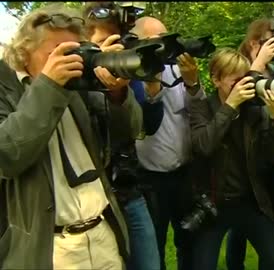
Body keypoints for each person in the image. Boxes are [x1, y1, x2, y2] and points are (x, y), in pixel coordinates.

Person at [0, 3, 143, 269]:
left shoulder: (81, 83)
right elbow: (8, 155)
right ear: (24, 52)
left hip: (102, 235)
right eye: (60, 53)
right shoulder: (4, 87)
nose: (71, 61)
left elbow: (128, 132)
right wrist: (49, 86)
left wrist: (117, 95)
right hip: (50, 247)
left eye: (75, 50)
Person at [189, 48, 274, 270]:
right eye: (235, 82)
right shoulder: (202, 107)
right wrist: (230, 106)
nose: (242, 87)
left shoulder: (254, 109)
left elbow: (273, 156)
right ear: (216, 79)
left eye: (245, 80)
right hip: (213, 203)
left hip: (250, 200)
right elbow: (203, 146)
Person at [82, 2, 161, 270]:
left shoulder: (127, 75)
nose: (115, 50)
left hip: (128, 187)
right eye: (105, 42)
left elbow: (137, 129)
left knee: (149, 263)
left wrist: (119, 94)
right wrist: (94, 70)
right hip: (92, 199)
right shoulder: (73, 78)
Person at [132, 16, 205, 270]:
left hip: (185, 174)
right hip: (150, 180)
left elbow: (198, 113)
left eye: (165, 38)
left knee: (189, 241)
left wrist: (193, 82)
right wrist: (151, 82)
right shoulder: (130, 74)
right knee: (155, 247)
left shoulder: (177, 68)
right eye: (155, 41)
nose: (163, 46)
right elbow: (142, 124)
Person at [226, 18, 274, 270]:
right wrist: (260, 59)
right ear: (255, 42)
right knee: (239, 229)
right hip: (244, 162)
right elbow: (239, 95)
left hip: (271, 158)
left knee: (270, 223)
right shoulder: (241, 66)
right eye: (269, 41)